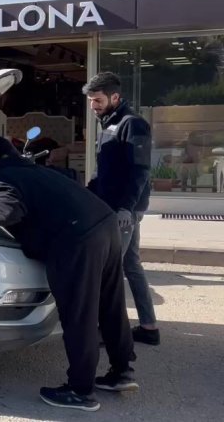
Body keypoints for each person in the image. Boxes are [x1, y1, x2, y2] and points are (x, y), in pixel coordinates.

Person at [0, 135, 137, 412]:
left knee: (79, 315)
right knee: (110, 304)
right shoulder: (21, 168)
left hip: (78, 239)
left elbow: (6, 214)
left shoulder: (0, 183)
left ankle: (80, 391)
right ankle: (121, 371)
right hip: (105, 223)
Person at [84, 72, 160, 346]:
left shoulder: (133, 124)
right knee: (131, 265)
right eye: (91, 101)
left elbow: (139, 171)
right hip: (113, 207)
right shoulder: (109, 124)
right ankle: (149, 327)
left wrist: (127, 208)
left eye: (98, 100)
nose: (94, 106)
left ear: (115, 97)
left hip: (123, 211)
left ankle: (111, 333)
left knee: (110, 270)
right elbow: (106, 173)